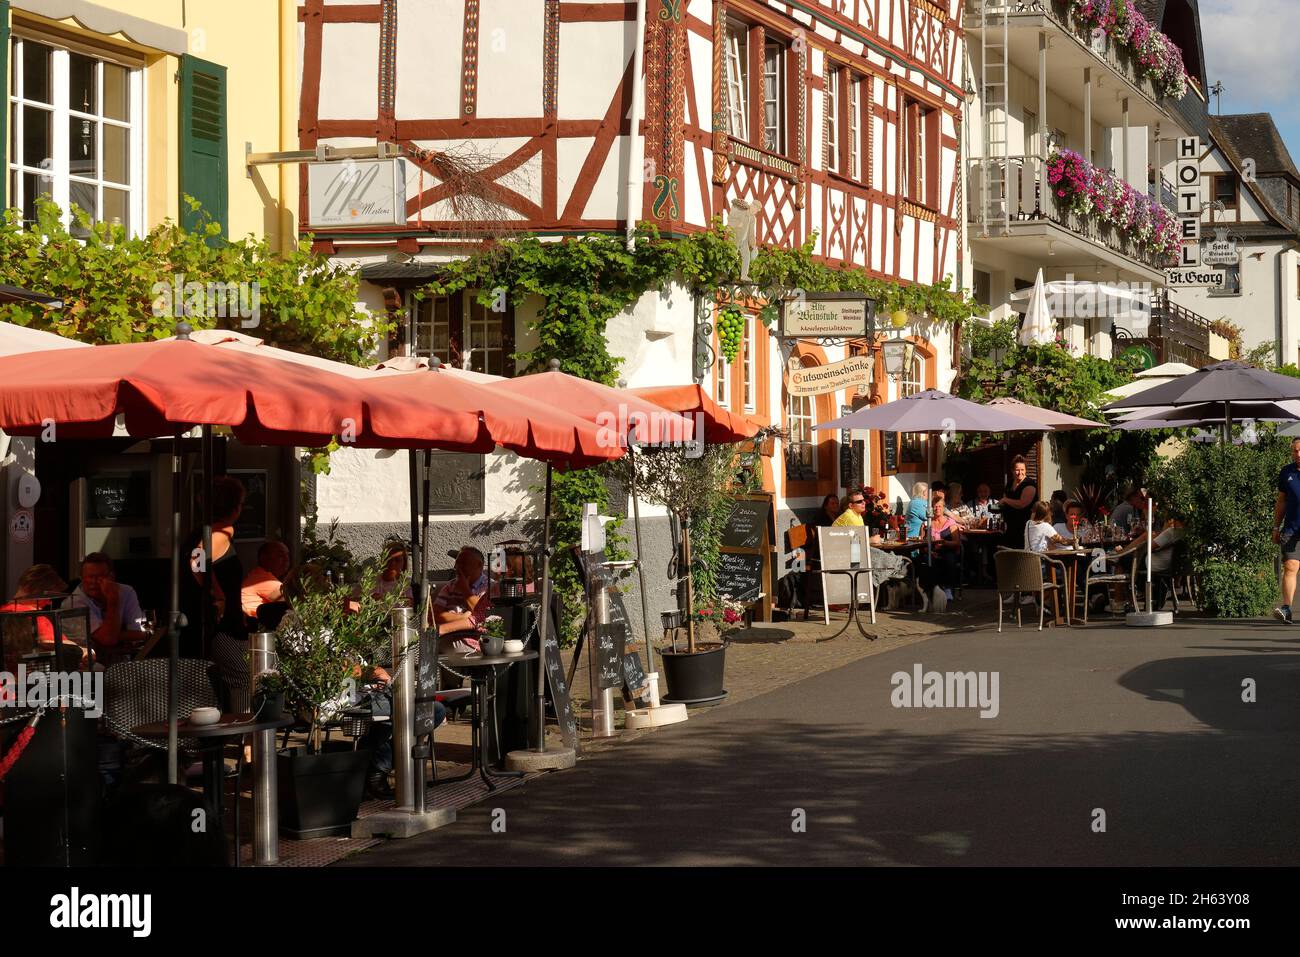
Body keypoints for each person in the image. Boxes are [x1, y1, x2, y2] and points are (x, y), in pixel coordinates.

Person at [181, 476, 249, 710]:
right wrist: (217, 594)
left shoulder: (202, 532)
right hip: (218, 627)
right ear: (234, 506)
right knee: (244, 678)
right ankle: (244, 736)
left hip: (215, 624)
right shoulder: (221, 533)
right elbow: (197, 561)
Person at [1, 565, 81, 676]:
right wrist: (84, 651)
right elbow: (57, 645)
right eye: (48, 596)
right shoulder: (35, 616)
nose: (49, 602)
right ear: (33, 589)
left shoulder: (4, 613)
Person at [69, 553, 146, 656]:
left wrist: (106, 635)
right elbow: (108, 639)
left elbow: (137, 634)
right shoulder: (74, 602)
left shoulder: (126, 592)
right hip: (88, 663)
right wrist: (113, 600)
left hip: (123, 660)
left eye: (100, 577)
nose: (94, 582)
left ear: (111, 577)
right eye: (90, 577)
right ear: (82, 578)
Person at [433, 546, 494, 653]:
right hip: (443, 640)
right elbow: (433, 616)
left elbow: (484, 616)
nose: (457, 567)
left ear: (479, 565)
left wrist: (465, 590)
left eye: (463, 563)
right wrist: (462, 617)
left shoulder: (490, 587)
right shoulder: (450, 586)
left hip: (475, 642)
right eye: (457, 563)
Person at [1275, 436, 1300, 623]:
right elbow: (1281, 501)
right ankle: (1287, 608)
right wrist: (1276, 526)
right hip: (1292, 528)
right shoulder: (1286, 472)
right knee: (1290, 566)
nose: (1297, 454)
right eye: (1295, 451)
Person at [241, 540, 291, 623]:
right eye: (280, 555)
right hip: (256, 629)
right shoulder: (262, 578)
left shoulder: (259, 575)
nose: (286, 559)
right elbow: (293, 601)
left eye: (287, 555)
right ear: (264, 558)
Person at [999, 456, 1037, 551]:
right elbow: (1004, 499)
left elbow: (1022, 504)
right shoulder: (1009, 483)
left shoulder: (1029, 484)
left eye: (1022, 470)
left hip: (1024, 527)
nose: (1020, 473)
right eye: (1017, 470)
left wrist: (1005, 500)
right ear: (1012, 470)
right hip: (1009, 526)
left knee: (1020, 555)